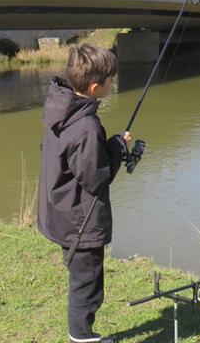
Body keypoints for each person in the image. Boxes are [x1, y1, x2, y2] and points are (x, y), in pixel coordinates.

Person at [37, 44, 132, 343]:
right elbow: (96, 178)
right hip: (80, 222)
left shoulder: (60, 109)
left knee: (82, 277)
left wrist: (112, 144)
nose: (112, 84)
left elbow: (73, 163)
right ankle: (82, 337)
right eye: (110, 81)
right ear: (94, 88)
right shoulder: (87, 127)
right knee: (87, 283)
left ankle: (81, 333)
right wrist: (118, 147)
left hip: (61, 214)